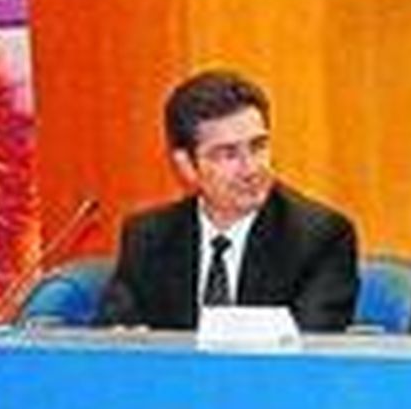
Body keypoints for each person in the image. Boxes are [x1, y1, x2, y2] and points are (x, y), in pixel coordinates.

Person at [96, 70, 358, 332]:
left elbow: (309, 351)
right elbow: (117, 339)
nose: (251, 169)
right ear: (187, 166)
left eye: (258, 147)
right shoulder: (148, 238)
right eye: (228, 154)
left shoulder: (319, 238)